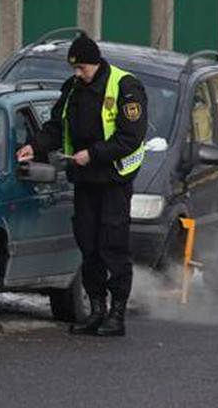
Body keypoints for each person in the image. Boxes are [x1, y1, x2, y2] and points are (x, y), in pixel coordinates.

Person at [15, 34, 147, 337]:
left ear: (96, 62)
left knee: (112, 246)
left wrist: (94, 154)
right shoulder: (73, 88)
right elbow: (56, 128)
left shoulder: (126, 87)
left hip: (114, 178)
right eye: (74, 69)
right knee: (88, 245)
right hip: (85, 179)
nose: (78, 74)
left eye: (82, 68)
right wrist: (34, 147)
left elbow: (131, 137)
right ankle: (96, 310)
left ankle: (117, 314)